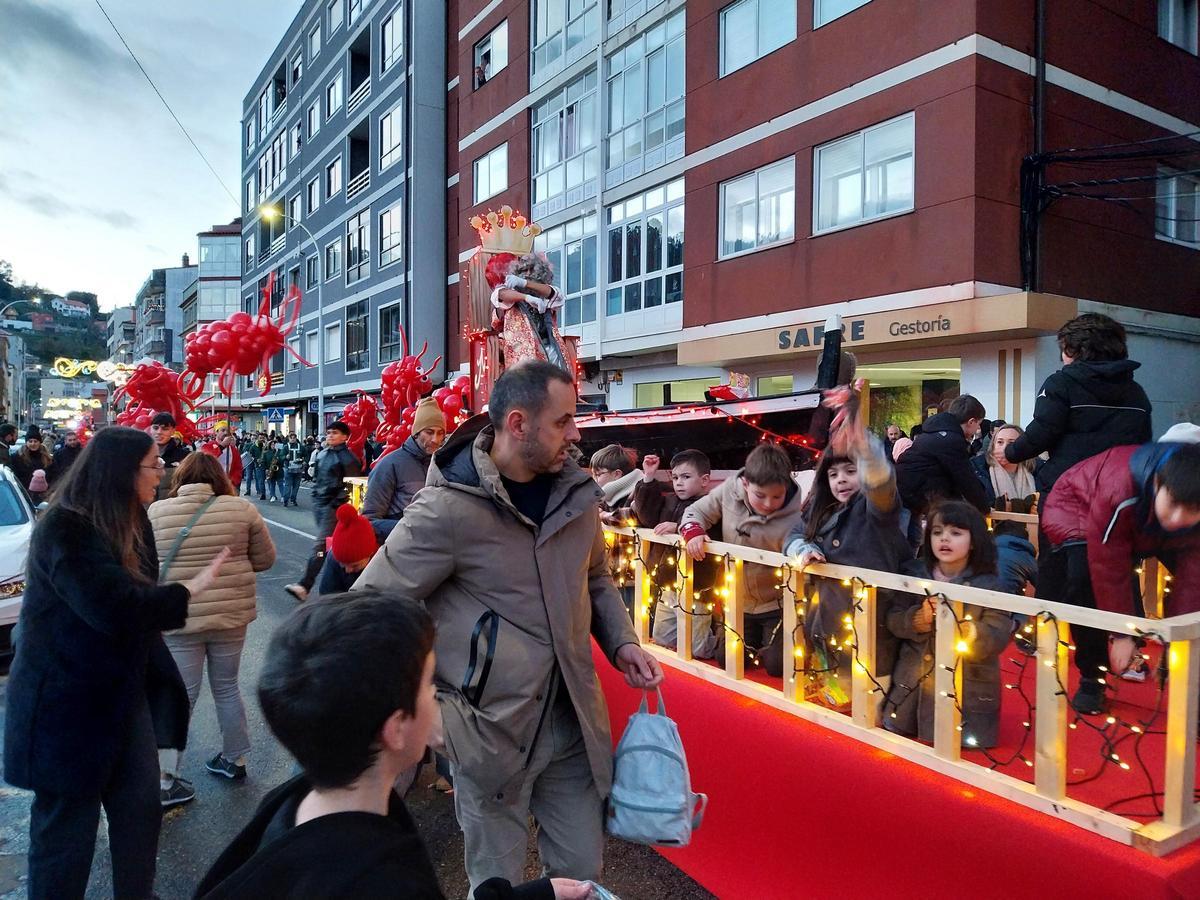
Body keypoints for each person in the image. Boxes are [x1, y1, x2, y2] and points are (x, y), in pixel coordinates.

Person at [353, 361, 662, 894]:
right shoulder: (446, 510)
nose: (577, 433)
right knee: (495, 888)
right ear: (518, 424)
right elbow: (369, 611)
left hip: (571, 727)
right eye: (564, 421)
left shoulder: (577, 495)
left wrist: (622, 643)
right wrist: (430, 715)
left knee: (581, 881)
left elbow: (595, 579)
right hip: (486, 737)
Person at [194, 591, 592, 900]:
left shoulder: (295, 804)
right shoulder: (381, 880)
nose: (437, 696)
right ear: (396, 729)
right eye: (429, 684)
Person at [3, 426, 228, 900]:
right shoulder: (64, 526)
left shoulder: (134, 518)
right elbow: (112, 606)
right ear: (122, 472)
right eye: (153, 464)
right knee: (67, 832)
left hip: (123, 698)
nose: (162, 470)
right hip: (65, 706)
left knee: (140, 812)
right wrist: (187, 591)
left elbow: (137, 600)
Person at [1005, 313, 1152, 708]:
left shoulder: (1062, 384)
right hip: (1120, 502)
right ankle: (1120, 657)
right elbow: (1143, 447)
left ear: (1073, 348)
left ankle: (1083, 675)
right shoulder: (1136, 393)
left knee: (1069, 583)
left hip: (1070, 501)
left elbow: (1040, 433)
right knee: (1115, 578)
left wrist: (1011, 451)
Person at [1042, 438, 1200, 714]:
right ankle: (1093, 675)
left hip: (1144, 521)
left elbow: (1192, 582)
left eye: (1191, 510)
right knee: (1085, 579)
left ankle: (1192, 689)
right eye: (1173, 503)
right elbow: (1108, 567)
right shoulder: (1120, 489)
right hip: (1079, 505)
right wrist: (1121, 634)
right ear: (1158, 484)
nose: (1176, 518)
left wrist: (1175, 643)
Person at [149, 452, 275, 797]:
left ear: (180, 479)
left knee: (180, 696)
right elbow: (266, 559)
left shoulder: (157, 511)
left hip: (180, 616)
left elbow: (145, 565)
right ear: (218, 478)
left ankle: (165, 777)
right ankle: (235, 760)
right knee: (227, 687)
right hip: (230, 616)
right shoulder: (242, 509)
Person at [784, 427, 911, 706]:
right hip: (827, 623)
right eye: (833, 474)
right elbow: (793, 536)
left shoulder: (876, 510)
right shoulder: (821, 509)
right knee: (833, 700)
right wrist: (804, 550)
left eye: (850, 471)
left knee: (869, 706)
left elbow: (882, 488)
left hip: (873, 626)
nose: (841, 480)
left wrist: (867, 450)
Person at [883, 501, 1009, 748]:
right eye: (937, 532)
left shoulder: (990, 585)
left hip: (966, 690)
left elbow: (1000, 631)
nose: (944, 539)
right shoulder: (914, 575)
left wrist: (971, 632)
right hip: (911, 690)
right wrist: (917, 619)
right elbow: (893, 619)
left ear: (973, 541)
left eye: (956, 533)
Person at [679, 442, 806, 677]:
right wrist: (693, 531)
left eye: (777, 496)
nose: (768, 504)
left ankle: (770, 645)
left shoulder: (795, 512)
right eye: (760, 496)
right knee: (727, 659)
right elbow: (695, 512)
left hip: (777, 604)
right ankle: (754, 643)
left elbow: (800, 541)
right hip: (739, 600)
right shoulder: (728, 491)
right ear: (746, 484)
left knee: (780, 666)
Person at [629, 449, 721, 657]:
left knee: (698, 647)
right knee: (662, 638)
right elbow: (647, 516)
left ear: (704, 479)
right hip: (667, 581)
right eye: (676, 477)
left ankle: (720, 641)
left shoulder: (709, 506)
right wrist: (649, 478)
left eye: (686, 477)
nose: (679, 482)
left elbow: (714, 529)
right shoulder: (669, 501)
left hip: (697, 584)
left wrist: (680, 526)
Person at [896, 395, 990, 545]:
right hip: (905, 501)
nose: (978, 429)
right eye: (978, 424)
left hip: (907, 497)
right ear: (971, 421)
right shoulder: (951, 440)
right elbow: (965, 479)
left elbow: (949, 478)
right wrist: (985, 507)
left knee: (911, 543)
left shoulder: (934, 433)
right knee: (901, 548)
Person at [286, 422, 363, 601]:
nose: (330, 436)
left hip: (335, 509)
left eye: (335, 433)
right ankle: (347, 586)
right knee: (331, 547)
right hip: (320, 505)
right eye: (328, 432)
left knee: (320, 547)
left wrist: (336, 504)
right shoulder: (322, 454)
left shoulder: (349, 459)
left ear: (345, 436)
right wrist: (316, 497)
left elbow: (354, 488)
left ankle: (305, 585)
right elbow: (318, 479)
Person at [362, 397, 446, 521]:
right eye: (429, 432)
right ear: (416, 433)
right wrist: (407, 530)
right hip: (401, 538)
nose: (435, 439)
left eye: (440, 433)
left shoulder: (443, 464)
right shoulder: (389, 465)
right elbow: (371, 519)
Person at [971, 424, 1038, 510]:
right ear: (993, 446)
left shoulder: (1038, 470)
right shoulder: (977, 469)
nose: (1005, 447)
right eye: (1000, 442)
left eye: (1011, 443)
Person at [149, 412, 191, 501]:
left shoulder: (185, 456)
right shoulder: (140, 455)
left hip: (172, 510)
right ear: (150, 429)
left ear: (173, 430)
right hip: (144, 512)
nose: (159, 432)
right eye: (155, 428)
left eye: (165, 429)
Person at [11, 426, 53, 496]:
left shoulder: (47, 458)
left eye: (35, 441)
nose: (33, 444)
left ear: (40, 442)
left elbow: (53, 475)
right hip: (24, 494)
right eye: (30, 441)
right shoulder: (18, 457)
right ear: (26, 442)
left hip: (45, 494)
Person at [282, 434, 306, 507]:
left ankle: (293, 499)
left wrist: (305, 461)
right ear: (289, 439)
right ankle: (286, 500)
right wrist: (285, 457)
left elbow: (306, 455)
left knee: (296, 485)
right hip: (288, 468)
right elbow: (280, 456)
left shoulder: (301, 447)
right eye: (291, 438)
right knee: (288, 485)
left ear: (296, 438)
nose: (292, 439)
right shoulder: (286, 447)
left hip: (298, 468)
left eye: (294, 438)